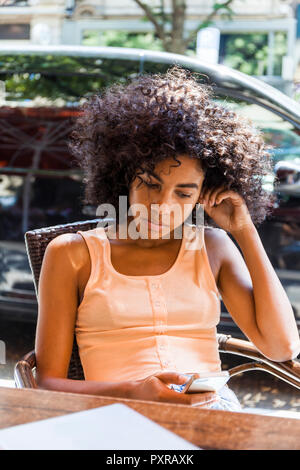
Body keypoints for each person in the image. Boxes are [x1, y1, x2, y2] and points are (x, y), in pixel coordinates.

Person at [35, 66, 300, 411]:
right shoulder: (72, 254)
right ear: (125, 174)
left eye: (184, 193)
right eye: (151, 184)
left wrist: (244, 232)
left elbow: (281, 348)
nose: (163, 206)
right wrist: (133, 392)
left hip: (211, 416)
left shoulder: (213, 247)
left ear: (203, 195)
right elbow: (47, 383)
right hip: (118, 417)